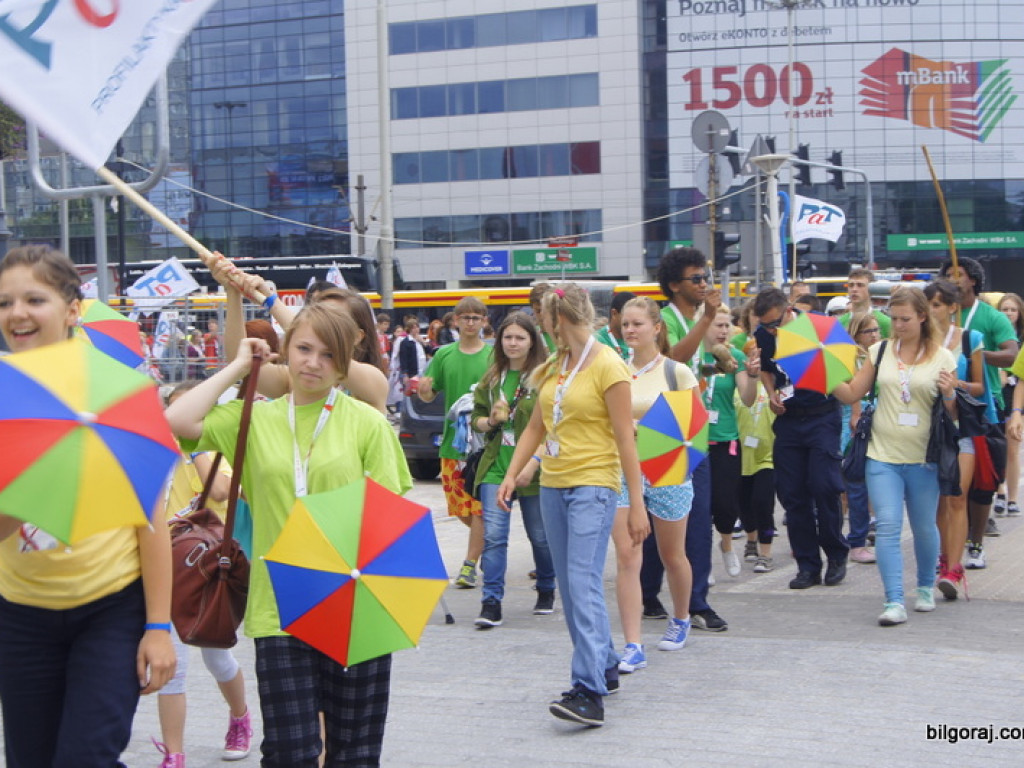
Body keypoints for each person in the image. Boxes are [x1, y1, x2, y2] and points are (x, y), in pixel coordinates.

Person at [166, 303, 411, 767]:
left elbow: (389, 517)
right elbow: (178, 423)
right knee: (289, 752)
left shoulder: (368, 423)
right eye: (303, 349)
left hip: (355, 601)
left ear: (343, 364)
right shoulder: (254, 418)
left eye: (327, 354)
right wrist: (240, 365)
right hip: (278, 605)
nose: (313, 363)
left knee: (355, 753)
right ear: (285, 349)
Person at [0, 245, 176, 767]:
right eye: (5, 302)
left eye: (35, 299)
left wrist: (159, 628)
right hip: (20, 613)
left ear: (73, 309)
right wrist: (32, 490)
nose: (17, 314)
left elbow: (151, 522)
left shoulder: (118, 392)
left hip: (109, 610)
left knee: (86, 757)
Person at [496, 283, 647, 727]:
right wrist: (512, 473)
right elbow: (535, 429)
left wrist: (636, 504)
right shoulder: (552, 367)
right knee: (573, 583)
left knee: (580, 582)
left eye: (542, 319)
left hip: (595, 485)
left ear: (557, 320)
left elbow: (625, 439)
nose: (540, 326)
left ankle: (587, 690)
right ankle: (603, 663)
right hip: (553, 484)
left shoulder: (609, 366)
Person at [832, 287, 957, 626]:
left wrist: (949, 395)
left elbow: (954, 414)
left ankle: (926, 587)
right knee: (887, 525)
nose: (898, 325)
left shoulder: (942, 357)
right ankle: (894, 601)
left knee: (923, 526)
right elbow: (853, 393)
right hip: (882, 454)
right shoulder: (879, 350)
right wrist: (825, 376)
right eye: (894, 319)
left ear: (921, 317)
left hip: (924, 456)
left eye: (905, 319)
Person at [156, 384, 252, 768]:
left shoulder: (211, 452)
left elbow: (220, 490)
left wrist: (197, 448)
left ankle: (240, 717)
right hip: (161, 569)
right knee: (172, 667)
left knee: (217, 659)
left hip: (201, 569)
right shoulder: (156, 453)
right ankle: (174, 755)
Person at [612, 297, 697, 676]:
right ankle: (633, 644)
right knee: (628, 558)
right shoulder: (615, 370)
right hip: (622, 472)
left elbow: (692, 428)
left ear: (656, 327)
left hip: (668, 469)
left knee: (671, 554)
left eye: (637, 324)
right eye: (625, 324)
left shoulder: (676, 372)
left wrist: (640, 430)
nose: (630, 330)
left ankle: (681, 616)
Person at [754, 286, 849, 590]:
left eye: (775, 322)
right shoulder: (764, 336)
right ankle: (807, 564)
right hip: (789, 419)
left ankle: (836, 553)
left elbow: (844, 367)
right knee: (793, 495)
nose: (771, 329)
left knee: (824, 486)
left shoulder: (817, 326)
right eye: (765, 324)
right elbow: (768, 371)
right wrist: (770, 395)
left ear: (788, 309)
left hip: (822, 414)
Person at [653, 246, 728, 631]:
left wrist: (717, 364)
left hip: (692, 424)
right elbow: (673, 361)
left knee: (697, 518)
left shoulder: (693, 318)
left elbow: (692, 365)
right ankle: (650, 592)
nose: (704, 284)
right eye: (696, 279)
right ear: (673, 285)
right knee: (662, 518)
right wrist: (708, 321)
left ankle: (697, 601)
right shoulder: (663, 319)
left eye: (705, 278)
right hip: (664, 426)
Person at [209, 257, 390, 413]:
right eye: (317, 313)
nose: (321, 323)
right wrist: (233, 291)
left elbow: (314, 333)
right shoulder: (298, 379)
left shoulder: (373, 381)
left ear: (358, 336)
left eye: (333, 320)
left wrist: (271, 299)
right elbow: (240, 361)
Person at [469, 311, 555, 628]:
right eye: (507, 337)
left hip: (533, 468)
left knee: (541, 537)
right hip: (496, 465)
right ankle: (491, 601)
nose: (513, 343)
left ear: (532, 341)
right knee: (494, 536)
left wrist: (535, 461)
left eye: (520, 337)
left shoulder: (544, 376)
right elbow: (475, 421)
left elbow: (551, 425)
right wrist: (491, 420)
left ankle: (546, 587)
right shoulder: (492, 379)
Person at [938, 257, 1018, 548]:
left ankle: (976, 542)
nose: (953, 279)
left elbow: (1011, 354)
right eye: (948, 275)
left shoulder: (990, 316)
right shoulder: (941, 318)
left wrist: (976, 354)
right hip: (945, 409)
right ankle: (950, 545)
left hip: (984, 406)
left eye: (959, 274)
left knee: (983, 482)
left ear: (973, 279)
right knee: (949, 483)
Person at [417, 298, 492, 588]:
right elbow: (428, 393)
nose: (471, 322)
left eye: (476, 317)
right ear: (455, 321)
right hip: (453, 444)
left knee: (478, 509)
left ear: (484, 320)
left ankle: (470, 564)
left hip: (485, 444)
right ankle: (486, 542)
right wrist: (423, 390)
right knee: (461, 509)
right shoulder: (443, 355)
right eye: (466, 317)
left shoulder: (493, 356)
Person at [923, 281, 987, 599]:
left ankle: (954, 567)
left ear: (952, 307)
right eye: (928, 304)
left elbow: (980, 387)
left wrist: (955, 383)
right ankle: (943, 556)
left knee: (957, 497)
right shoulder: (917, 342)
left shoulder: (970, 338)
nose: (932, 310)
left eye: (937, 304)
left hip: (960, 428)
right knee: (937, 501)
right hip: (926, 430)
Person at [703, 306, 759, 577]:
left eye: (727, 326)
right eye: (718, 325)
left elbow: (748, 399)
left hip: (726, 439)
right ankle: (702, 561)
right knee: (699, 507)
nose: (724, 331)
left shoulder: (735, 355)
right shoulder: (692, 356)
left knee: (725, 505)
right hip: (695, 441)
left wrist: (753, 375)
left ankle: (726, 545)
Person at [843, 312, 882, 565]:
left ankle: (866, 533)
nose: (875, 335)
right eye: (869, 331)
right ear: (856, 334)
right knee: (855, 482)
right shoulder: (850, 358)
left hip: (878, 422)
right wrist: (856, 414)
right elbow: (853, 389)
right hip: (854, 426)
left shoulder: (880, 355)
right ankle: (856, 540)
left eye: (877, 330)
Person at [995, 292, 1024, 518]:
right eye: (1005, 309)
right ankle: (1000, 490)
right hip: (998, 395)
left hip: (1016, 396)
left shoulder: (1022, 338)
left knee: (1013, 447)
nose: (1009, 313)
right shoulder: (994, 336)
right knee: (997, 447)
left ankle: (1013, 498)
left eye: (1013, 309)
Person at [839, 268, 891, 337]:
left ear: (872, 289)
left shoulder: (885, 323)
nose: (854, 289)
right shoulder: (839, 323)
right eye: (851, 285)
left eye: (860, 285)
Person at [593, 290, 635, 361]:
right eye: (627, 319)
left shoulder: (639, 339)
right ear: (614, 314)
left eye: (636, 322)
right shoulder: (598, 342)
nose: (631, 328)